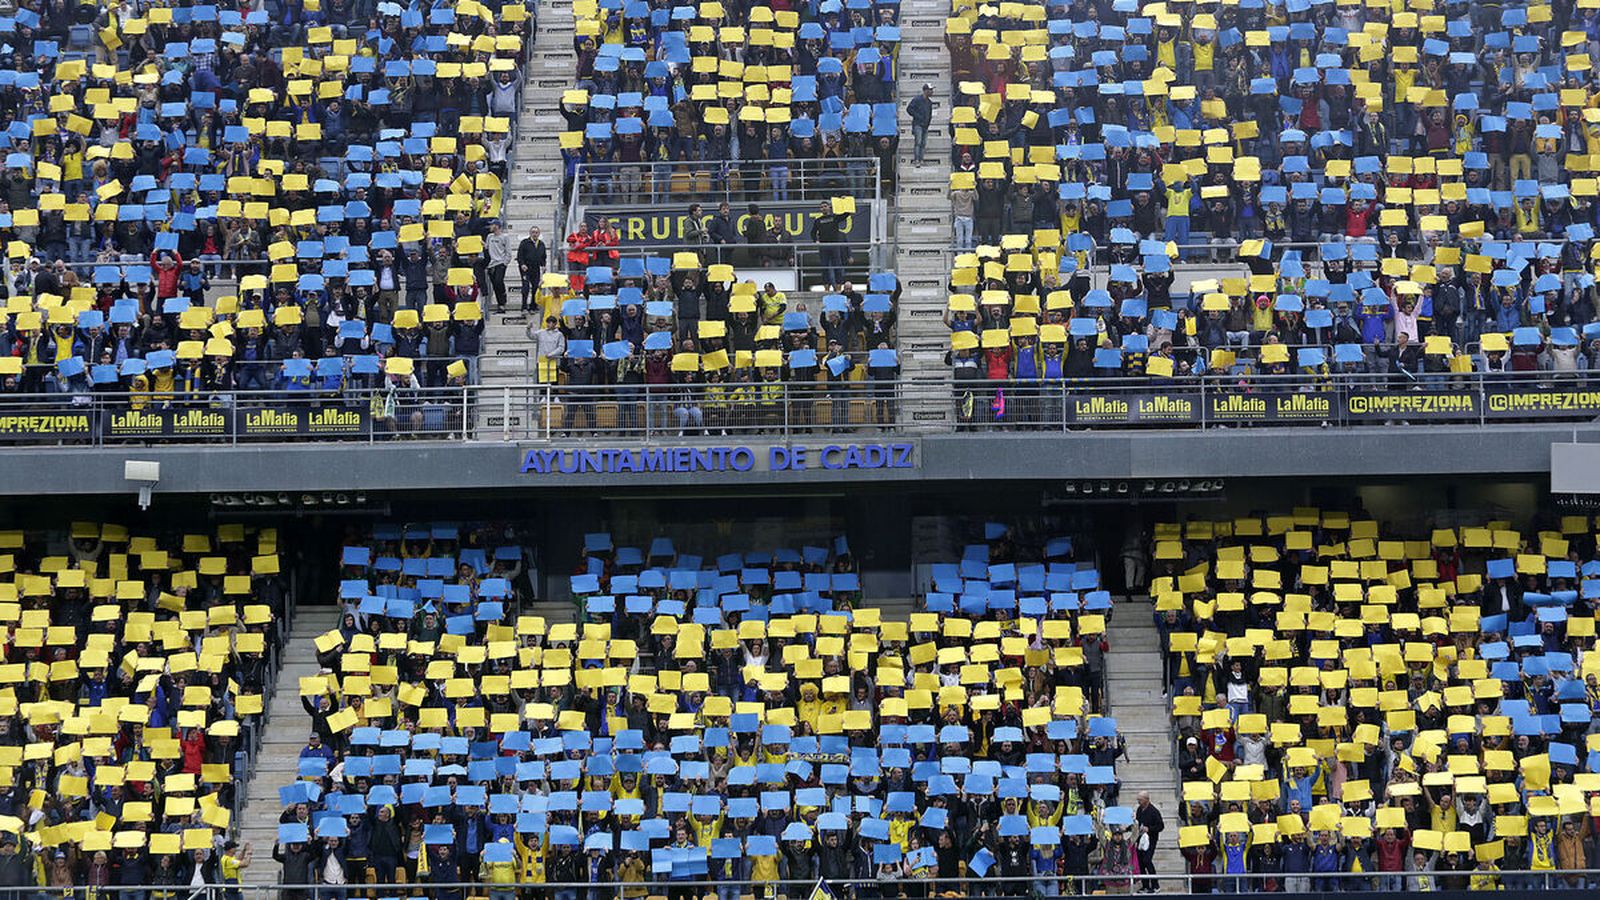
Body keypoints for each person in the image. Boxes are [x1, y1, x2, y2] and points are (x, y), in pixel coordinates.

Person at [1135, 792, 1164, 893]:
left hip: (1150, 840)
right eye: (1138, 800)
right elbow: (1137, 823)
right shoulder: (1139, 809)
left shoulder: (1154, 811)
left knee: (1147, 860)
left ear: (1147, 799)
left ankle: (1155, 885)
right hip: (1140, 839)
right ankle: (1145, 885)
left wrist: (1149, 829)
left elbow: (1161, 826)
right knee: (1140, 862)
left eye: (1140, 800)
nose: (1139, 802)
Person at [517, 227, 547, 312]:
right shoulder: (524, 243)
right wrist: (522, 264)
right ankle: (524, 306)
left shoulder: (541, 244)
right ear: (530, 233)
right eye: (533, 232)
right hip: (525, 268)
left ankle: (533, 306)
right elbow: (520, 255)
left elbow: (543, 257)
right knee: (525, 287)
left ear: (539, 234)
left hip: (536, 268)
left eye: (536, 232)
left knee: (535, 287)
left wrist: (543, 265)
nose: (535, 234)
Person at [907, 84, 935, 166]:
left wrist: (927, 123)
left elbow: (929, 114)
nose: (932, 92)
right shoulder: (917, 99)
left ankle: (921, 159)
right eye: (930, 90)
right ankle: (917, 160)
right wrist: (918, 116)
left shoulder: (929, 102)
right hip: (918, 124)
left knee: (923, 143)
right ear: (925, 90)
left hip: (925, 125)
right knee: (918, 142)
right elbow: (909, 109)